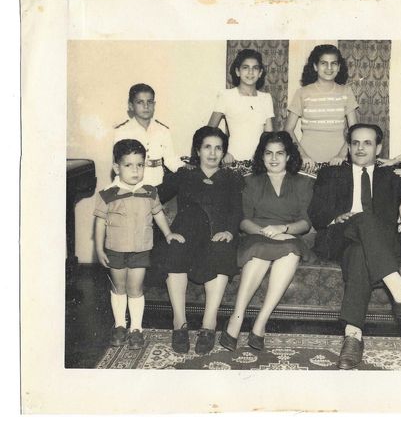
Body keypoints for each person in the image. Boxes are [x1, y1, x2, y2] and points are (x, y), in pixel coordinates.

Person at [308, 123, 401, 370]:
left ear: (379, 148)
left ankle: (353, 337)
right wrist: (335, 218)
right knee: (362, 220)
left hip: (375, 244)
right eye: (355, 143)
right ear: (349, 147)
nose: (360, 148)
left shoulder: (390, 175)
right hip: (338, 237)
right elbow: (316, 213)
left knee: (360, 252)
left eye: (367, 143)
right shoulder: (331, 173)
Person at [220, 131, 314, 352]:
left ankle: (261, 322)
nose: (273, 158)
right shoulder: (249, 181)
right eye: (268, 153)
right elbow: (244, 221)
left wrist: (283, 229)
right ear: (261, 156)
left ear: (288, 156)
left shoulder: (303, 182)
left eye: (279, 153)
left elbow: (305, 222)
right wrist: (266, 232)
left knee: (290, 250)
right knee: (259, 249)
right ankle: (236, 317)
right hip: (257, 235)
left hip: (288, 236)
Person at [152, 127, 244, 354]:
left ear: (224, 153)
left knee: (222, 249)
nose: (212, 153)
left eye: (218, 148)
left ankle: (209, 324)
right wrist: (167, 232)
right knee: (174, 249)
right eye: (207, 147)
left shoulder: (232, 178)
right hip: (186, 232)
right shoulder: (184, 175)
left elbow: (237, 210)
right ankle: (179, 323)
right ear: (198, 150)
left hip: (217, 233)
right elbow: (153, 197)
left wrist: (230, 232)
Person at [93, 139, 185, 349]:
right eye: (128, 165)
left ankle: (136, 329)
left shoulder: (150, 191)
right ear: (117, 167)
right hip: (115, 250)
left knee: (135, 288)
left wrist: (168, 233)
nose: (135, 170)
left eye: (140, 165)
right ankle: (119, 325)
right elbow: (100, 223)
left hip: (141, 250)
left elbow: (158, 213)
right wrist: (98, 249)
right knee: (119, 287)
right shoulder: (107, 194)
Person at [284, 44, 358, 170]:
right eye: (323, 63)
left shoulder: (346, 92)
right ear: (315, 66)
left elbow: (354, 130)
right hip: (308, 163)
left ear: (339, 67)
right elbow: (288, 130)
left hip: (338, 162)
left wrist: (342, 155)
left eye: (333, 63)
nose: (329, 68)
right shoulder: (302, 93)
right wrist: (302, 155)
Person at [208, 49, 275, 163]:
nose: (250, 72)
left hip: (258, 162)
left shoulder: (266, 98)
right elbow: (209, 132)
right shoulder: (226, 95)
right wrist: (223, 153)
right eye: (245, 67)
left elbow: (268, 136)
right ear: (237, 71)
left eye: (255, 68)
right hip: (233, 160)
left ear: (260, 73)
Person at [114, 83, 184, 186]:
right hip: (132, 185)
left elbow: (171, 160)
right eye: (140, 102)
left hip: (158, 183)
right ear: (131, 106)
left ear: (154, 105)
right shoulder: (122, 131)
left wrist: (185, 168)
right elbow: (119, 164)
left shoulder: (163, 130)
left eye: (150, 102)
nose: (146, 106)